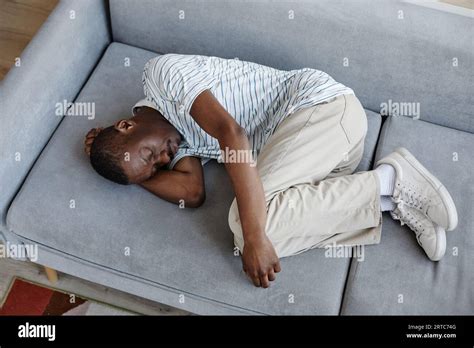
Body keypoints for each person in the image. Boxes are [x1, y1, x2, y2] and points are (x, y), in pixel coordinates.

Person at [84, 54, 458, 288]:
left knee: (246, 226)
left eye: (149, 154)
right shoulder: (178, 143)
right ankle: (386, 195)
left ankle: (390, 181)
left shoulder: (162, 77)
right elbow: (192, 193)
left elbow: (232, 133)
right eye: (155, 167)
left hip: (322, 110)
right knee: (250, 235)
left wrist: (254, 236)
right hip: (331, 159)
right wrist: (135, 175)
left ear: (126, 126)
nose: (162, 160)